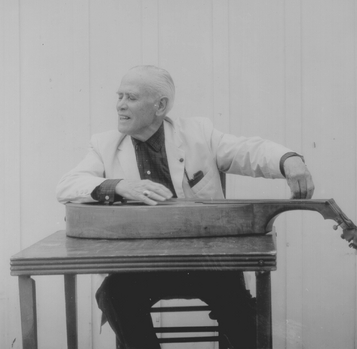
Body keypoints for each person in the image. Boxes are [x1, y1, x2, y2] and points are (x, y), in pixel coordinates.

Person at [56, 65, 314, 349]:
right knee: (112, 295)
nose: (120, 105)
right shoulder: (104, 144)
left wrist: (289, 160)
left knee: (239, 311)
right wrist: (118, 185)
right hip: (140, 268)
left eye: (130, 97)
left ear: (160, 105)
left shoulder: (198, 133)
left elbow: (248, 151)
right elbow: (67, 185)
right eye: (119, 96)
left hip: (207, 264)